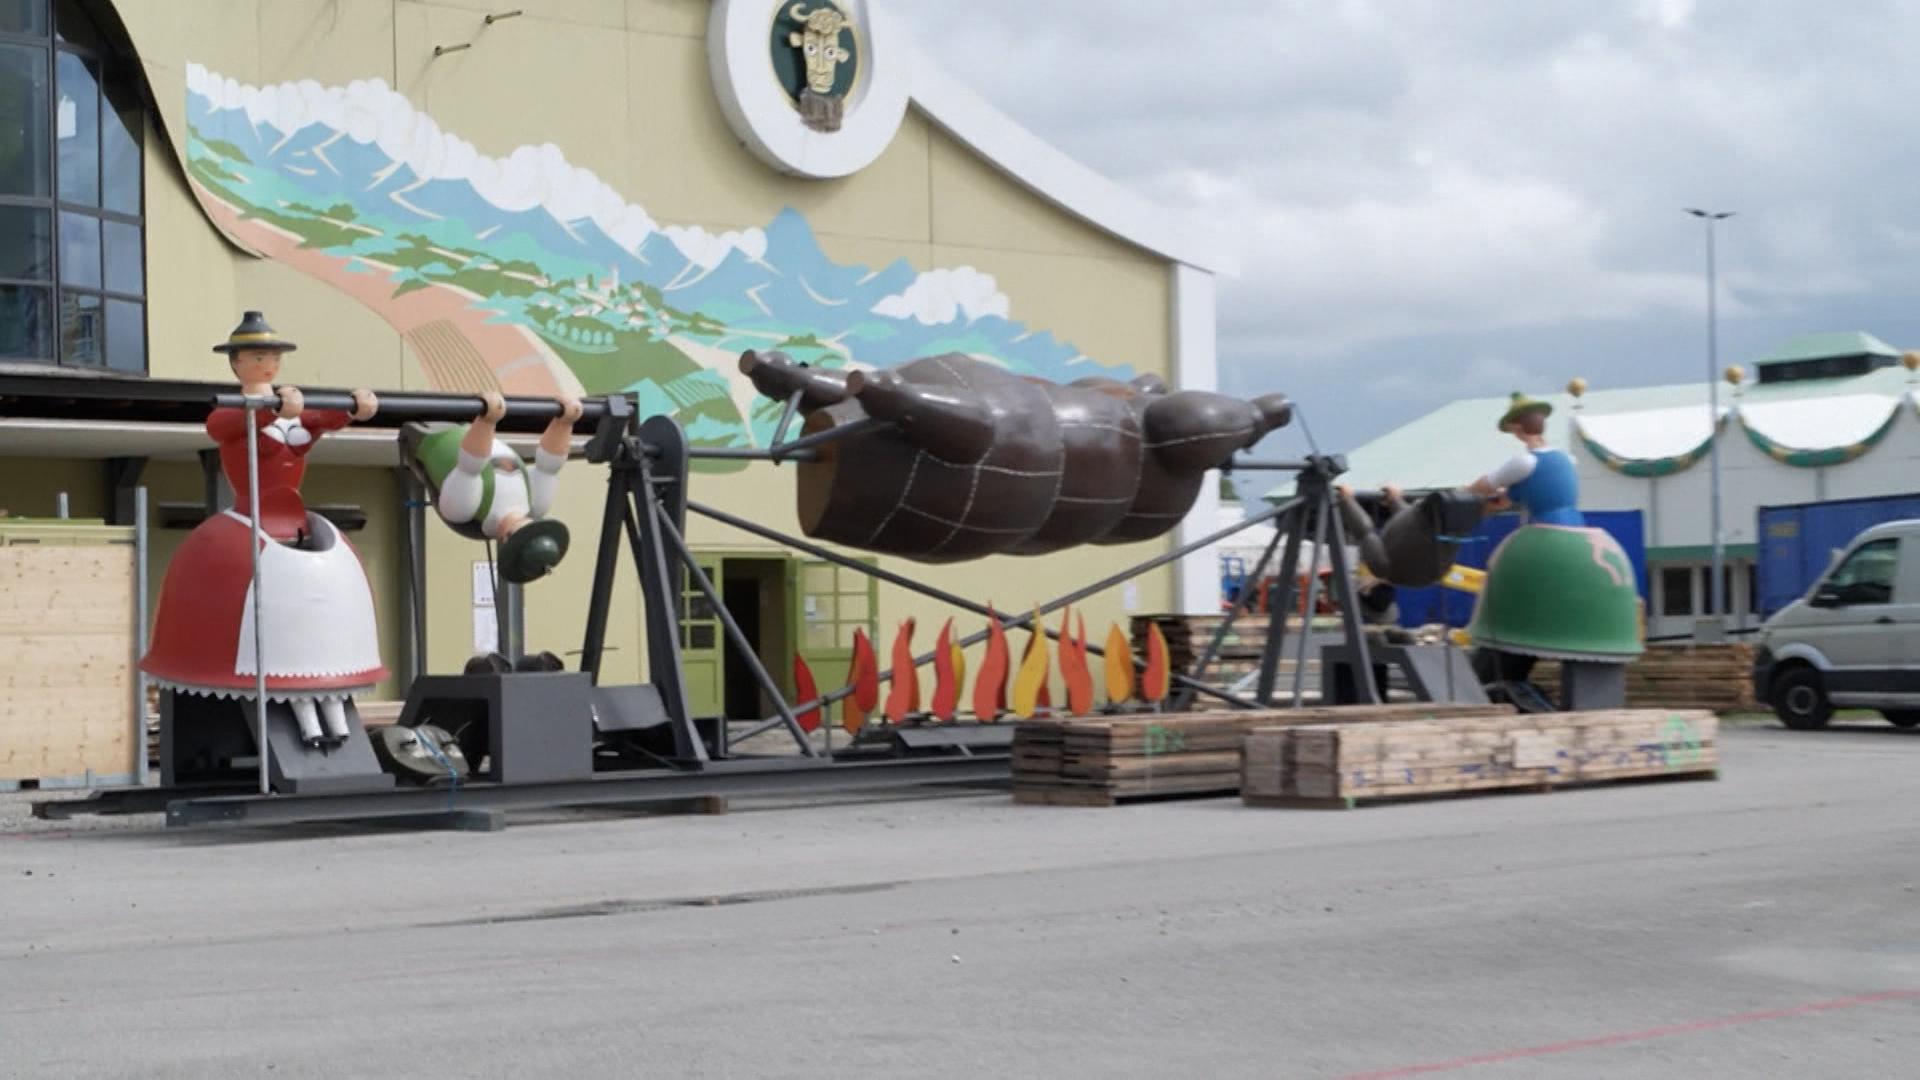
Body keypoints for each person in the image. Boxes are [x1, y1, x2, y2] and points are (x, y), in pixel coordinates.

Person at [141, 312, 388, 748]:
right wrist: (272, 408)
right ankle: (308, 728)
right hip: (251, 516)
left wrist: (354, 406)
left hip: (290, 519)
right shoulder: (232, 412)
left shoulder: (293, 412)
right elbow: (227, 426)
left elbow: (319, 420)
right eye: (259, 356)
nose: (269, 364)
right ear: (237, 363)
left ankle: (336, 724)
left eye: (273, 356)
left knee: (313, 642)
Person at [409, 390, 581, 585]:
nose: (526, 524)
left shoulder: (462, 511)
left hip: (434, 433)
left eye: (523, 533)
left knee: (467, 474)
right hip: (471, 421)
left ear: (507, 540)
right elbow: (548, 466)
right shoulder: (536, 504)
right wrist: (565, 422)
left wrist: (488, 421)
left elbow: (470, 466)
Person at [1469, 393, 1582, 526]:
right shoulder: (1567, 459)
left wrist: (1463, 492)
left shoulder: (1526, 462)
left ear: (1516, 428)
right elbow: (1503, 501)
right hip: (1577, 527)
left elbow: (1485, 485)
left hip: (1547, 533)